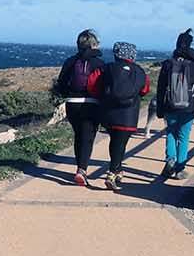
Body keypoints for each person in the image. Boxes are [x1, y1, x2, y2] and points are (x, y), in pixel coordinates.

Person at [85, 40, 150, 191]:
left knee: (115, 142)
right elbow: (145, 90)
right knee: (120, 143)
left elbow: (92, 84)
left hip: (109, 113)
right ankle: (112, 173)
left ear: (116, 54)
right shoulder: (140, 71)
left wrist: (101, 96)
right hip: (129, 115)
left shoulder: (106, 68)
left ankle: (118, 169)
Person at [154, 29, 194, 181]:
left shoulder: (167, 64)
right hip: (189, 107)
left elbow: (160, 89)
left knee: (171, 133)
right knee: (184, 136)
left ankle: (170, 160)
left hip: (170, 106)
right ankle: (180, 168)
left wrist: (159, 109)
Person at [51, 29, 105, 186]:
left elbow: (61, 83)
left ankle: (80, 167)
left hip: (72, 103)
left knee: (79, 136)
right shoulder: (100, 64)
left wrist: (66, 94)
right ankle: (82, 170)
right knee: (88, 138)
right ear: (94, 44)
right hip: (92, 103)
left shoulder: (70, 61)